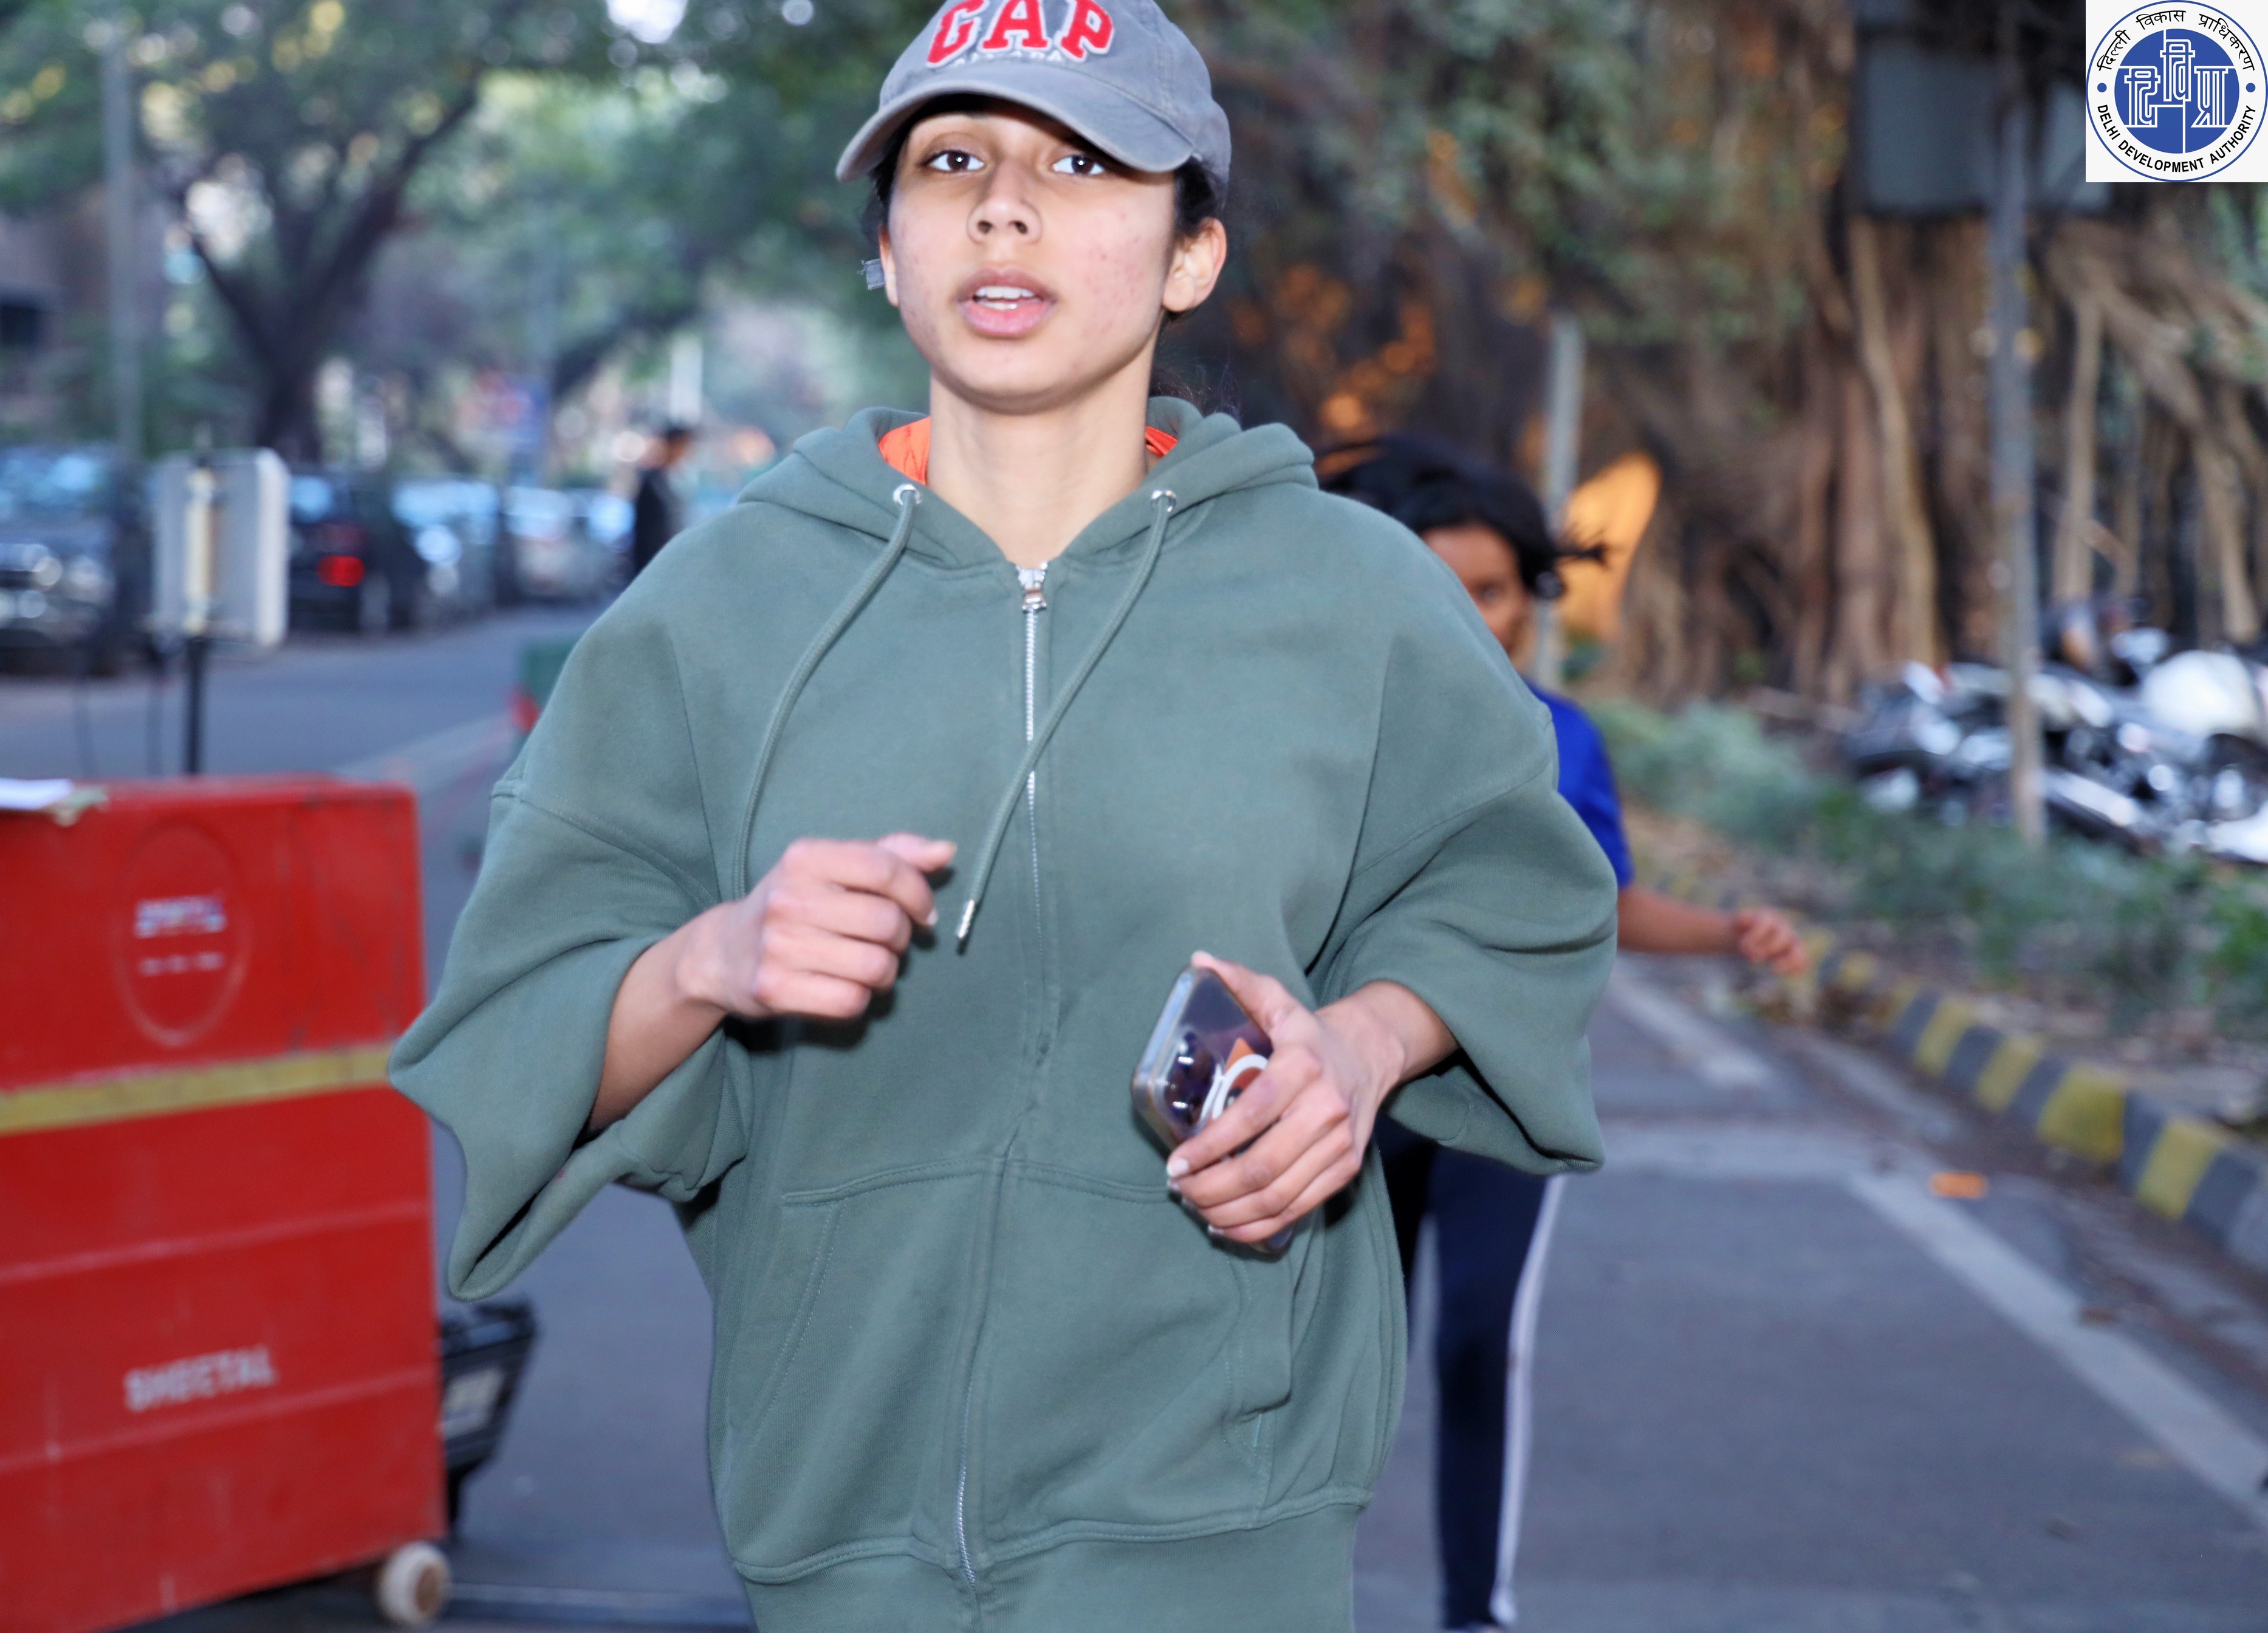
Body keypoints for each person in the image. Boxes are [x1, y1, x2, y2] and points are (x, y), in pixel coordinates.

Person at [393, 8, 1617, 1629]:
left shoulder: (1351, 595)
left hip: (1224, 1539)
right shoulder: (720, 608)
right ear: (887, 250)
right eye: (951, 160)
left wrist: (1366, 1045)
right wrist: (712, 960)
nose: (1004, 208)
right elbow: (515, 1022)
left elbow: (1516, 893)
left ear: (1193, 255)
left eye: (1084, 164)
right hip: (836, 1539)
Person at [1324, 436, 1809, 1632]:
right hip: (1340, 1096)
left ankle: (1474, 1613)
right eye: (1436, 584)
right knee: (1328, 1368)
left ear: (1529, 599)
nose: (1470, 615)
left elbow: (1607, 902)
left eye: (1492, 590)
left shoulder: (1563, 739)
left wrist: (1726, 931)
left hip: (1501, 1092)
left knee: (1476, 1342)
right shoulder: (1314, 729)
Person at [625, 422, 696, 582]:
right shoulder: (653, 482)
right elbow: (644, 532)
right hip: (655, 565)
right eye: (682, 446)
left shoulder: (679, 480)